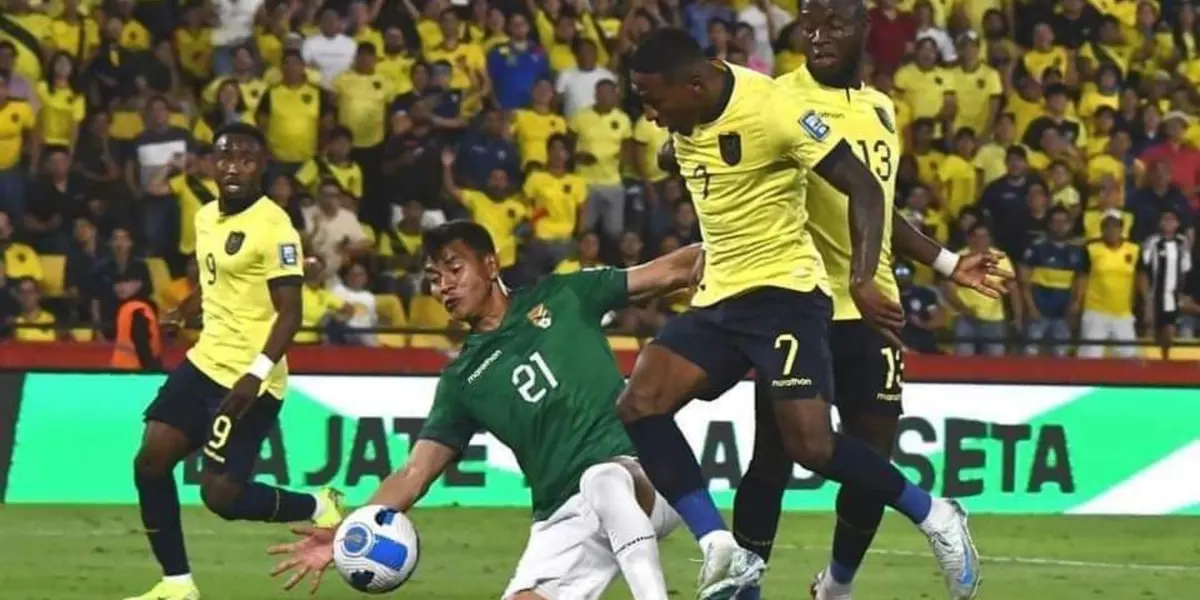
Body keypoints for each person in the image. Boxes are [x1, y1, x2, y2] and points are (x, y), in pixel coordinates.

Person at [620, 26, 980, 600]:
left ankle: (934, 512)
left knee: (809, 447)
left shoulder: (774, 108)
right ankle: (720, 547)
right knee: (640, 403)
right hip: (720, 296)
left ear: (693, 85)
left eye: (653, 100)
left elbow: (865, 187)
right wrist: (673, 151)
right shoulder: (686, 116)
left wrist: (862, 278)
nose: (649, 114)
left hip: (784, 295)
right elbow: (682, 150)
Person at [267, 220, 702, 600]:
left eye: (454, 270)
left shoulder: (566, 295)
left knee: (605, 479)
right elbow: (414, 473)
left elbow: (672, 270)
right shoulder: (463, 380)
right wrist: (349, 533)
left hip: (643, 476)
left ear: (491, 266)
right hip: (563, 513)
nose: (444, 287)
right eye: (434, 279)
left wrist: (730, 252)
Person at [736, 2, 1003, 598]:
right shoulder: (778, 98)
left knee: (871, 462)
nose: (817, 35)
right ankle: (745, 590)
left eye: (834, 24)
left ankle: (836, 586)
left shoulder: (882, 108)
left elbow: (877, 208)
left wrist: (948, 262)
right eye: (809, 23)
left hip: (872, 309)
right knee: (772, 459)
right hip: (798, 305)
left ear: (864, 29)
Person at [125, 123, 343, 600]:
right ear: (211, 163)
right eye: (225, 157)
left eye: (246, 159)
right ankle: (177, 584)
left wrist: (254, 376)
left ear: (261, 166)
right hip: (203, 362)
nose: (234, 167)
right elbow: (213, 280)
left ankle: (317, 504)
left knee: (221, 496)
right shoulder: (206, 217)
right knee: (150, 463)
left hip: (252, 379)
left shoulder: (275, 228)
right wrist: (184, 310)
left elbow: (291, 313)